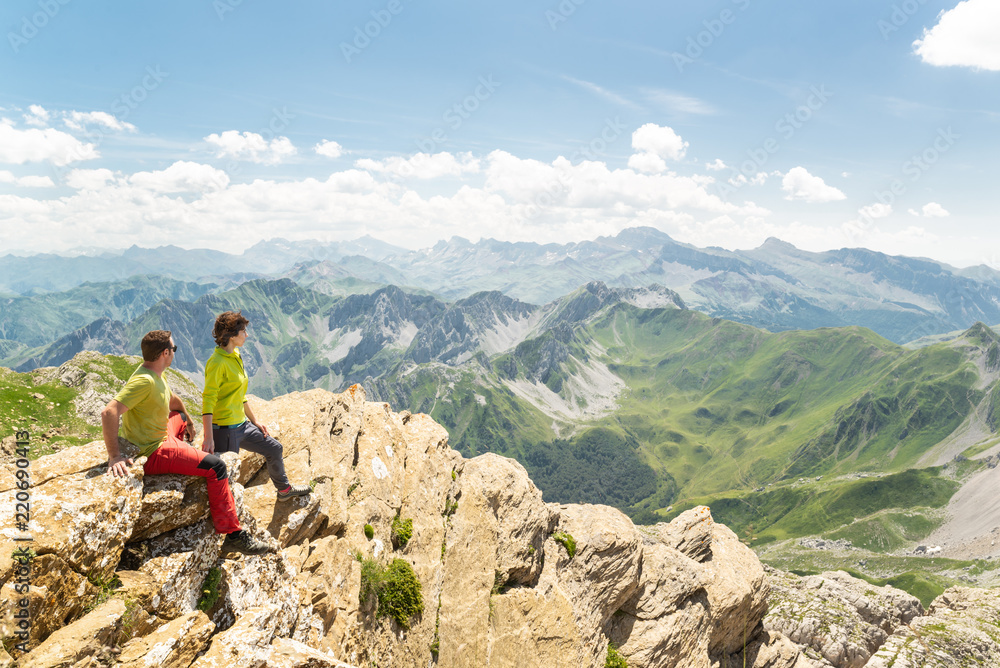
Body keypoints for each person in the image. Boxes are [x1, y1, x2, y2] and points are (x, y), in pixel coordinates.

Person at [102, 330, 272, 556]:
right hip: (154, 451)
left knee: (179, 417)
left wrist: (188, 421)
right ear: (165, 352)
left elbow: (172, 399)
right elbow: (109, 412)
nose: (174, 353)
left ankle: (185, 451)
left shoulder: (155, 372)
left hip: (163, 435)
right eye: (174, 349)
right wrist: (114, 455)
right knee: (216, 467)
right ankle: (233, 534)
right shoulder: (144, 381)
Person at [201, 311, 311, 502]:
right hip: (225, 431)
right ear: (232, 335)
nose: (247, 335)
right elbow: (208, 400)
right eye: (243, 331)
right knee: (227, 478)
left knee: (274, 448)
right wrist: (208, 437)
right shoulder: (217, 363)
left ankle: (284, 491)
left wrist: (255, 421)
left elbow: (240, 395)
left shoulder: (235, 354)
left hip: (242, 425)